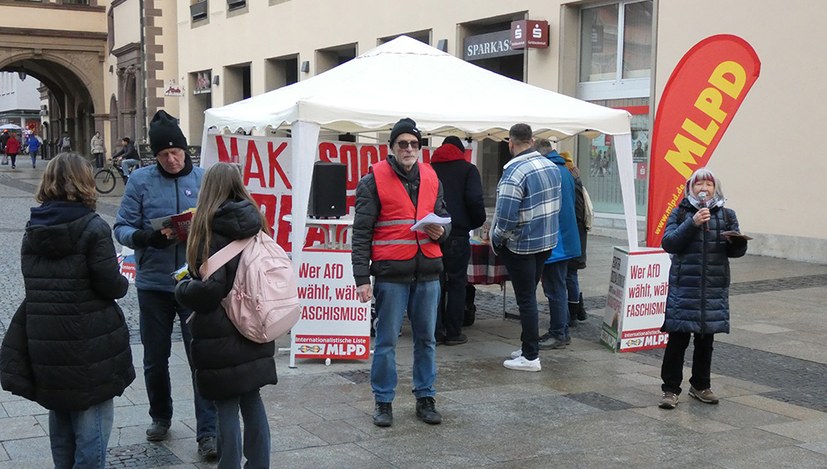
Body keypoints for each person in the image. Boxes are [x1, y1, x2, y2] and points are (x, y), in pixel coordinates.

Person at [0, 153, 134, 468]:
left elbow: (37, 279)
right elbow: (109, 285)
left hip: (45, 335)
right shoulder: (92, 226)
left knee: (60, 414)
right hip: (87, 338)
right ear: (84, 182)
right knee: (92, 425)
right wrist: (124, 276)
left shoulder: (35, 226)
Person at [113, 110, 217, 459]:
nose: (172, 160)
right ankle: (160, 416)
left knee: (200, 356)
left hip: (195, 283)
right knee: (155, 358)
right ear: (153, 156)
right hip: (154, 284)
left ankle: (208, 431)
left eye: (177, 153)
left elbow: (221, 222)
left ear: (187, 151)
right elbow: (121, 227)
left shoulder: (205, 179)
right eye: (163, 155)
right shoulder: (141, 182)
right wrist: (145, 237)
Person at [175, 163, 277, 469]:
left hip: (221, 330)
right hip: (255, 322)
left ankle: (229, 465)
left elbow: (211, 290)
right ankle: (259, 464)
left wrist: (182, 289)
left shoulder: (210, 227)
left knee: (226, 405)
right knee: (252, 398)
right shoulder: (256, 220)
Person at [352, 117, 451, 427]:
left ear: (419, 148)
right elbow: (361, 233)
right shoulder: (372, 181)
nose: (409, 148)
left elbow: (445, 217)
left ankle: (426, 397)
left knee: (427, 339)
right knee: (385, 342)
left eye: (413, 144)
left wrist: (441, 233)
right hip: (391, 274)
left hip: (428, 271)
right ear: (391, 148)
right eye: (402, 144)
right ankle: (383, 402)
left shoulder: (432, 178)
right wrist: (360, 279)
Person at [658, 168, 748, 409]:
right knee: (677, 340)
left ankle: (700, 385)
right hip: (684, 287)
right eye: (699, 185)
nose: (704, 189)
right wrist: (693, 223)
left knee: (705, 341)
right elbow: (669, 243)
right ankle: (670, 389)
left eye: (708, 184)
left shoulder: (727, 215)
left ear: (715, 189)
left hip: (712, 288)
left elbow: (735, 253)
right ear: (691, 189)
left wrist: (737, 243)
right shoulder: (680, 212)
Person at [491, 124, 560, 372]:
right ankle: (527, 346)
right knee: (529, 295)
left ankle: (531, 356)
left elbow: (506, 216)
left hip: (521, 244)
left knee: (526, 299)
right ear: (531, 140)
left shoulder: (514, 172)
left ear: (511, 142)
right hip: (546, 241)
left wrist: (498, 237)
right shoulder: (551, 166)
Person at [430, 136, 486, 346]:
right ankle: (453, 332)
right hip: (458, 234)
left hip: (433, 233)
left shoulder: (430, 169)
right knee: (456, 283)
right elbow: (475, 199)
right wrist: (474, 222)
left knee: (434, 283)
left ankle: (433, 331)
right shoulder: (468, 169)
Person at [535, 140, 580, 350]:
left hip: (556, 239)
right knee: (558, 286)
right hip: (565, 237)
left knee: (555, 289)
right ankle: (562, 331)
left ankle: (558, 333)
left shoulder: (551, 171)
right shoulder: (565, 170)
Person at [561, 151, 589, 325]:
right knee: (570, 275)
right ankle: (576, 310)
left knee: (570, 274)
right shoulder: (574, 178)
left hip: (574, 236)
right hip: (575, 236)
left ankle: (573, 313)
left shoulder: (572, 181)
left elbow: (578, 213)